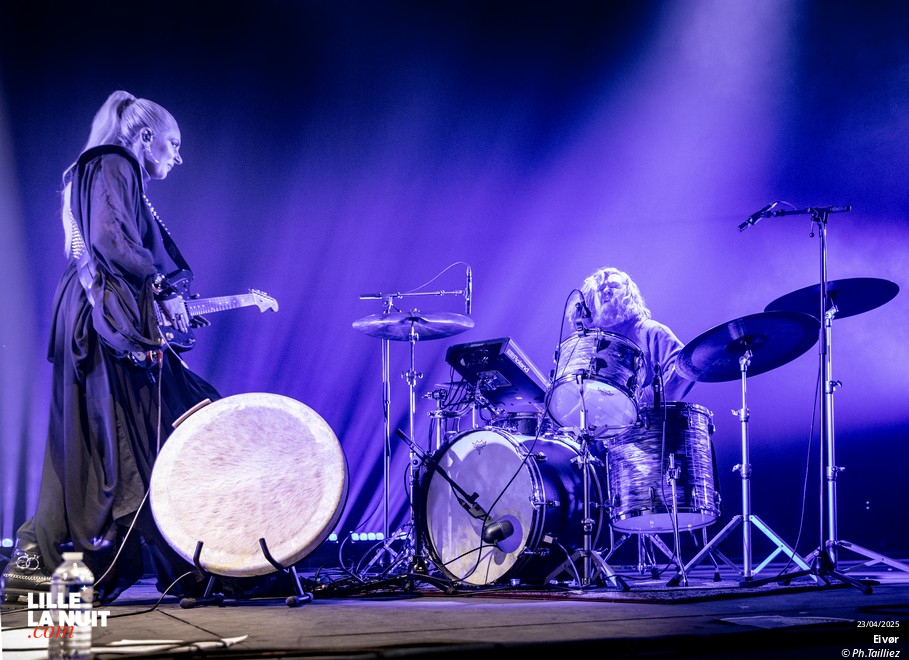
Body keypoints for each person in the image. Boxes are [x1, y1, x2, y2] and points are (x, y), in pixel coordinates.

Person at [1, 91, 221, 605]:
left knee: (102, 445)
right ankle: (186, 561)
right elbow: (110, 239)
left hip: (94, 316)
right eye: (173, 144)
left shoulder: (95, 167)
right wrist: (162, 287)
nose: (178, 156)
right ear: (145, 138)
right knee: (133, 435)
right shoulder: (115, 161)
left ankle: (45, 569)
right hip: (102, 323)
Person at [565, 265, 694, 409]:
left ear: (628, 294)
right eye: (600, 289)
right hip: (594, 424)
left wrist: (644, 398)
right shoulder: (586, 341)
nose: (606, 290)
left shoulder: (651, 331)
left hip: (644, 426)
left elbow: (685, 368)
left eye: (614, 286)